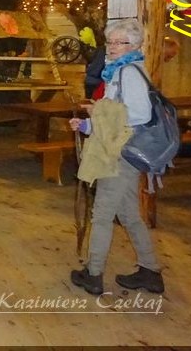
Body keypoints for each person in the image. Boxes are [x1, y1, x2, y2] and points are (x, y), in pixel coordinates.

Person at [69, 18, 164, 295]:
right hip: (121, 149)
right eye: (109, 42)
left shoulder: (129, 73)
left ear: (133, 45)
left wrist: (98, 113)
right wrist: (87, 125)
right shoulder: (119, 70)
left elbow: (139, 114)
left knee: (101, 215)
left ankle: (93, 274)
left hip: (120, 154)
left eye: (118, 42)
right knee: (129, 214)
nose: (111, 47)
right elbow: (114, 118)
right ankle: (150, 272)